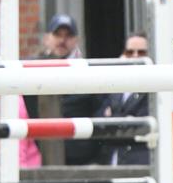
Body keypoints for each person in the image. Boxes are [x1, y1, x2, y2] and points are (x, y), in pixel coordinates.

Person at [24, 14, 102, 166]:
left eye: (68, 35)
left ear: (77, 40)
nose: (62, 40)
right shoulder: (31, 69)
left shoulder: (87, 71)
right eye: (57, 35)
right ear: (46, 38)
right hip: (41, 154)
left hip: (82, 155)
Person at [97, 32, 151, 165]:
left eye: (141, 52)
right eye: (129, 52)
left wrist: (113, 117)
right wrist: (125, 119)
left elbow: (140, 127)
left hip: (141, 161)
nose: (135, 56)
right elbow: (99, 118)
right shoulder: (114, 83)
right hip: (112, 159)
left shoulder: (154, 85)